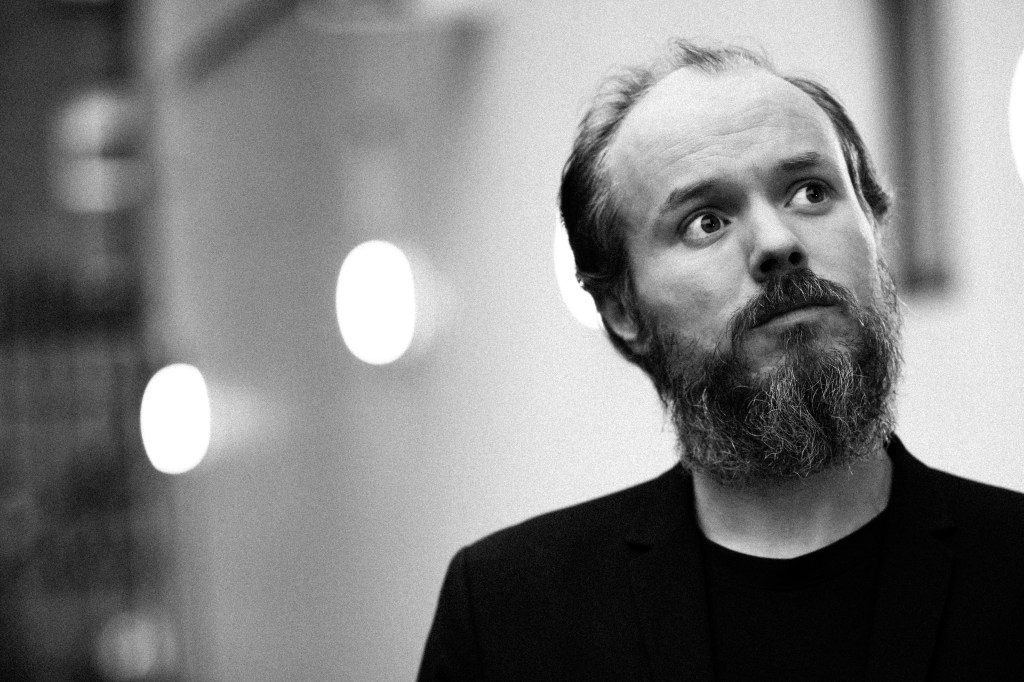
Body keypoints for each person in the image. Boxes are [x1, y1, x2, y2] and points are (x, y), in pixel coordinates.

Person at [417, 39, 1024, 681]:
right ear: (622, 308)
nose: (779, 242)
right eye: (705, 222)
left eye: (810, 191)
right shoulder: (511, 614)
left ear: (874, 225)